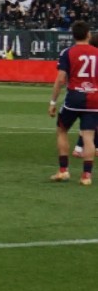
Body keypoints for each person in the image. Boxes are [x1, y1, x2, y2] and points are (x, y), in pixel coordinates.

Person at [48, 20, 98, 185]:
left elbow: (61, 79)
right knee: (89, 136)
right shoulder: (97, 52)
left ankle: (63, 171)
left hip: (74, 98)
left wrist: (53, 102)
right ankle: (86, 176)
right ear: (88, 35)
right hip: (94, 98)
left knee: (62, 130)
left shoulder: (67, 52)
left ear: (73, 36)